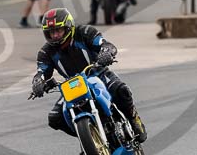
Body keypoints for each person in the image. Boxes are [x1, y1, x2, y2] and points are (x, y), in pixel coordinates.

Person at [31, 7, 147, 142]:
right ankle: (90, 136)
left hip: (98, 74)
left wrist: (106, 52)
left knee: (121, 90)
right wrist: (38, 82)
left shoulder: (85, 32)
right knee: (55, 118)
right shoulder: (46, 52)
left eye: (58, 30)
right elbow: (41, 72)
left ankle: (134, 119)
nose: (55, 35)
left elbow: (106, 44)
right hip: (72, 85)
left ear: (68, 27)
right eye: (51, 32)